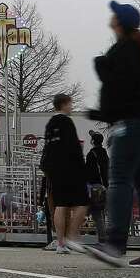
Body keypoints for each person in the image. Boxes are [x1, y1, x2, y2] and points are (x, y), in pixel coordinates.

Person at [85, 1, 140, 269]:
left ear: (119, 22)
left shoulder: (124, 50)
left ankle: (115, 244)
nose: (110, 18)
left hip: (129, 124)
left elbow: (117, 88)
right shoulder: (136, 48)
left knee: (120, 179)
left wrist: (101, 65)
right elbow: (130, 91)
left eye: (113, 15)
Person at [41, 93, 89, 254]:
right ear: (64, 104)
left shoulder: (50, 124)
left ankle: (60, 243)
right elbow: (73, 147)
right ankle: (71, 236)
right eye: (70, 103)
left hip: (54, 170)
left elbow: (47, 148)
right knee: (82, 203)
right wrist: (82, 169)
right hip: (70, 169)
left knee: (60, 205)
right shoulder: (66, 122)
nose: (72, 107)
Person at [85, 131, 109, 243]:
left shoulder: (91, 154)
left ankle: (102, 239)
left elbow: (88, 173)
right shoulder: (104, 153)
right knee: (104, 213)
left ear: (93, 141)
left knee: (97, 214)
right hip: (105, 186)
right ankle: (107, 237)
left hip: (95, 187)